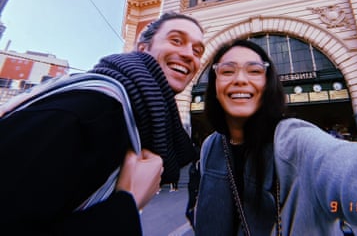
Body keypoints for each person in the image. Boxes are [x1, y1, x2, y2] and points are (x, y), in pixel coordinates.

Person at [193, 39, 357, 235]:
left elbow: (351, 168)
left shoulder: (295, 142)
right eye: (227, 71)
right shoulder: (211, 147)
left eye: (254, 70)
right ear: (214, 85)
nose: (240, 79)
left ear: (269, 84)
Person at [0, 12, 204, 235]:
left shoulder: (127, 116)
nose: (188, 55)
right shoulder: (92, 110)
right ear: (143, 48)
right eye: (176, 40)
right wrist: (128, 202)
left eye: (197, 50)